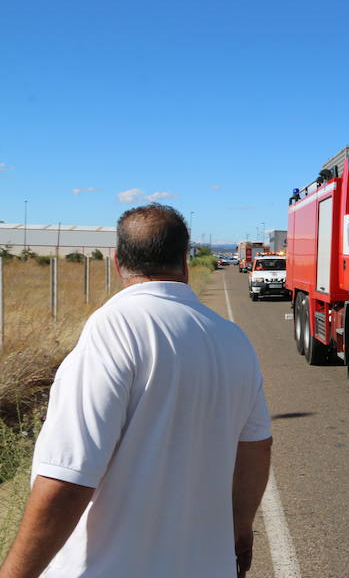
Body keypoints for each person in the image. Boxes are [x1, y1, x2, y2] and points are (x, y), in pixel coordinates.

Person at [0, 204, 273, 578]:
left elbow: (68, 476)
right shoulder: (233, 339)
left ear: (116, 261)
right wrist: (241, 527)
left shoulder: (112, 331)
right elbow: (257, 446)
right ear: (184, 260)